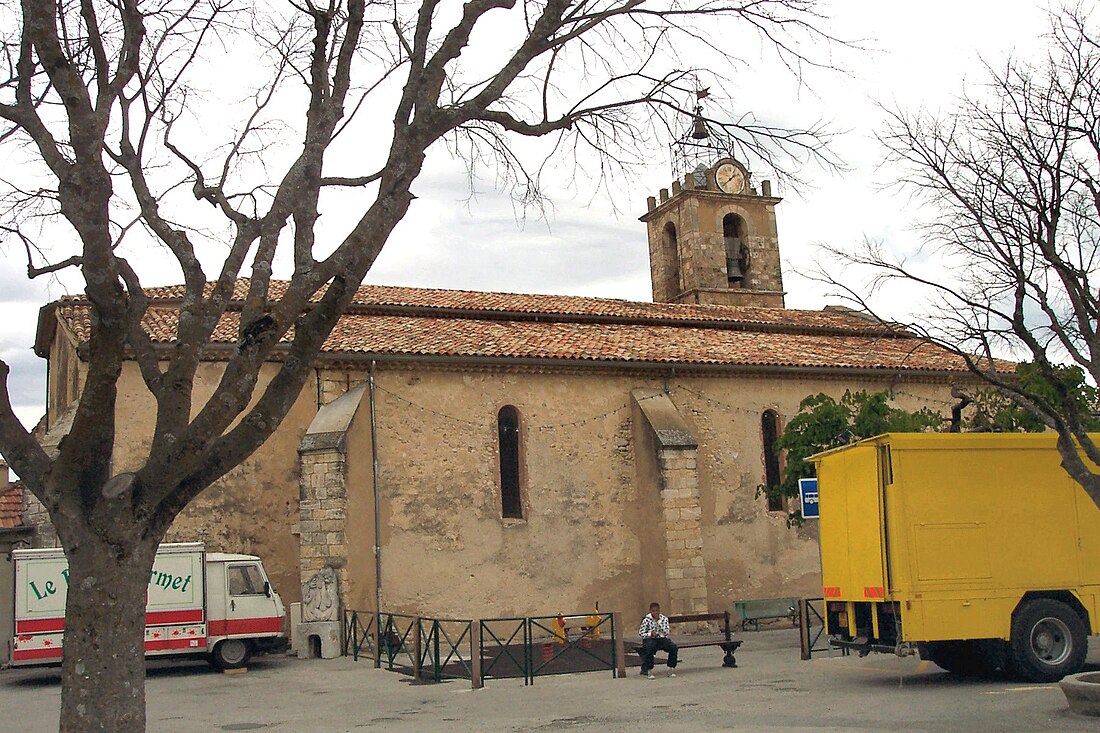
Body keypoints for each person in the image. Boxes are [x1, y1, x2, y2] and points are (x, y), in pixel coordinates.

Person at [638, 601, 678, 679]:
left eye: (656, 611)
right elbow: (641, 633)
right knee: (649, 648)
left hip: (661, 638)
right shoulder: (646, 620)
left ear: (659, 610)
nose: (655, 612)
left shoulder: (664, 619)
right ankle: (649, 670)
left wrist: (659, 631)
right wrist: (650, 634)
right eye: (653, 611)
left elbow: (666, 631)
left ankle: (671, 667)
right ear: (650, 611)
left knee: (673, 647)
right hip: (650, 639)